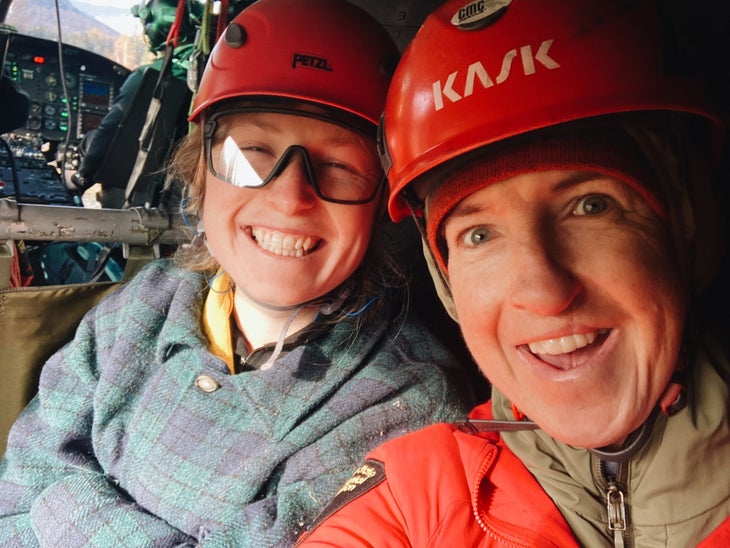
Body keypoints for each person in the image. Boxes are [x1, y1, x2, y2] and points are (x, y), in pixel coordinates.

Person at [0, 0, 472, 545]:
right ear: (199, 173)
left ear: (382, 201)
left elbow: (40, 488)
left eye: (339, 166)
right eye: (253, 153)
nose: (291, 198)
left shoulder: (411, 404)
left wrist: (63, 499)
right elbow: (18, 488)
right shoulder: (146, 300)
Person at [297, 0, 730, 546]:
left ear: (688, 227)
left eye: (591, 206)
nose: (545, 293)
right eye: (479, 236)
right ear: (447, 282)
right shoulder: (413, 505)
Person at [65, 0, 201, 199]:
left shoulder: (147, 76)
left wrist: (81, 178)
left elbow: (108, 132)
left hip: (131, 195)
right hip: (180, 194)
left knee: (90, 140)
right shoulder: (208, 75)